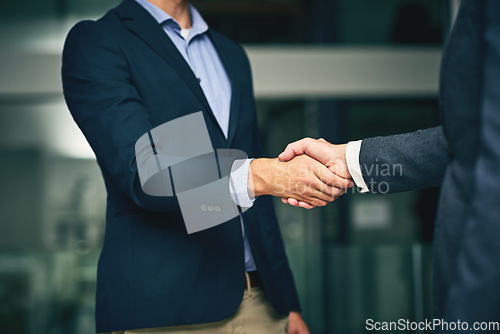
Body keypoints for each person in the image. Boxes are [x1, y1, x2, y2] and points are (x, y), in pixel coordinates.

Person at [61, 0, 352, 332]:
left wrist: (287, 302)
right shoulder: (100, 41)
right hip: (165, 310)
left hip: (258, 302)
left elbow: (255, 192)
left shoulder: (231, 54)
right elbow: (145, 173)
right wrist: (261, 174)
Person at [279, 0, 500, 330]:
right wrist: (256, 177)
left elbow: (484, 147)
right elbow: (184, 189)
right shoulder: (210, 62)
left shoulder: (230, 62)